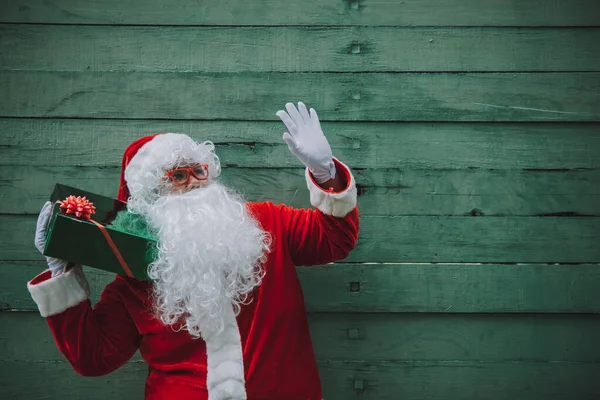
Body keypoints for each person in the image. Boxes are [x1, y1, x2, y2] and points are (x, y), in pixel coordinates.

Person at [28, 102, 359, 400]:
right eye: (178, 175)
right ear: (151, 196)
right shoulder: (133, 280)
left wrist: (325, 172)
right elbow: (94, 358)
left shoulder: (267, 222)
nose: (195, 181)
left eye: (199, 170)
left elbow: (334, 241)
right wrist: (62, 273)